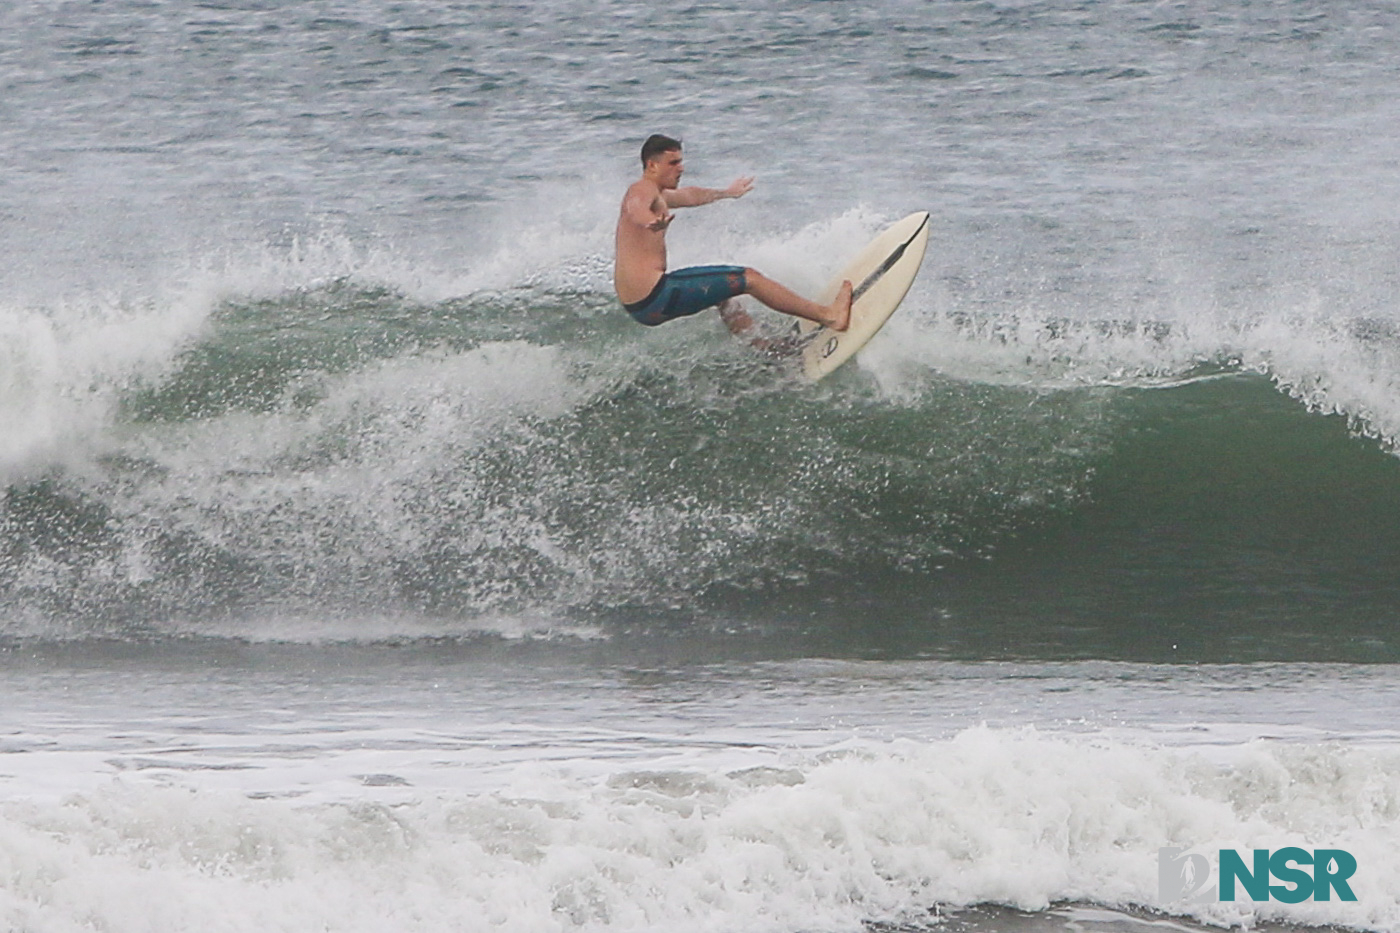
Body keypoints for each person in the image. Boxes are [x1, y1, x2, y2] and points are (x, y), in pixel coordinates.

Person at [614, 135, 851, 336]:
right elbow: (636, 208)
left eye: (681, 161)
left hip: (640, 306)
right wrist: (650, 222)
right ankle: (830, 316)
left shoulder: (660, 195)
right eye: (673, 163)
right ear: (652, 165)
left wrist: (727, 193)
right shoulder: (642, 188)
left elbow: (691, 195)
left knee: (724, 295)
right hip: (658, 295)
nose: (681, 168)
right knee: (750, 279)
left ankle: (766, 348)